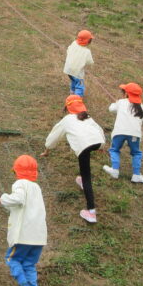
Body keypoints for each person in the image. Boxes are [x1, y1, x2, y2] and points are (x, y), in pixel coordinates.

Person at [0, 154, 47, 286]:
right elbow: (20, 205)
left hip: (23, 235)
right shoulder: (36, 188)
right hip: (38, 237)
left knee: (12, 259)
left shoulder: (20, 184)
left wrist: (1, 199)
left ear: (17, 172)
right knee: (29, 265)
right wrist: (3, 202)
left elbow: (18, 199)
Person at [41, 95, 106, 223]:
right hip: (97, 142)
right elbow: (99, 130)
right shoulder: (88, 117)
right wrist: (101, 145)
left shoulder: (67, 120)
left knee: (87, 176)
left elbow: (54, 136)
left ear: (68, 108)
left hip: (84, 146)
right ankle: (81, 180)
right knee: (85, 164)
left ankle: (91, 212)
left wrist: (47, 149)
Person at [103, 82, 143, 183]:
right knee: (136, 153)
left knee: (114, 149)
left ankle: (115, 170)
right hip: (135, 133)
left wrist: (115, 103)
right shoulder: (140, 105)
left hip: (119, 132)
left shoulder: (121, 102)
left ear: (127, 94)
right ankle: (136, 175)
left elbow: (111, 109)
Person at [63, 30, 94, 97]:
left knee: (74, 80)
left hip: (68, 69)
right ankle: (77, 99)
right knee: (80, 86)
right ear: (88, 41)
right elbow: (90, 62)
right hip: (77, 73)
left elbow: (68, 50)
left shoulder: (74, 43)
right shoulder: (87, 52)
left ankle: (72, 93)